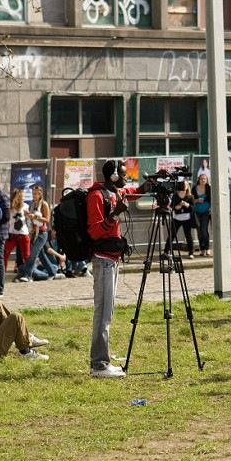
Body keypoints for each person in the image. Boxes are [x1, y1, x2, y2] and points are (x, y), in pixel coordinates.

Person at [86, 159, 148, 378]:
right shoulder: (97, 196)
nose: (125, 179)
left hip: (112, 259)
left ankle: (102, 358)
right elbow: (94, 232)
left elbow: (133, 192)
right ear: (112, 176)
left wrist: (148, 184)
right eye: (123, 175)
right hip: (103, 260)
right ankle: (99, 365)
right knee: (103, 314)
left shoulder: (115, 192)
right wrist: (114, 214)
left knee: (107, 313)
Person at [18, 185, 50, 282]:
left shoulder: (44, 204)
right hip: (33, 232)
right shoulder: (32, 204)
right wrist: (28, 215)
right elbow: (31, 219)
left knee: (33, 254)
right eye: (33, 194)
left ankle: (28, 275)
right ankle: (53, 272)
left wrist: (35, 217)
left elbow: (47, 219)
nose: (34, 196)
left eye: (36, 194)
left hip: (42, 233)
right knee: (42, 255)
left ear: (40, 194)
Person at [164, 180, 195, 259]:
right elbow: (171, 206)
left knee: (188, 235)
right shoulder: (176, 195)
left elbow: (192, 208)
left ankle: (191, 252)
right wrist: (176, 207)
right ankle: (166, 251)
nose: (184, 186)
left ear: (188, 186)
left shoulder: (190, 196)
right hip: (177, 218)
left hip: (186, 218)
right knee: (172, 235)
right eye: (183, 185)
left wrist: (186, 205)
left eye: (186, 185)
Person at [3, 188, 30, 275]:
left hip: (23, 233)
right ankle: (2, 272)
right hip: (12, 234)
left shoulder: (25, 206)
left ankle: (29, 274)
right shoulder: (10, 207)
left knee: (26, 255)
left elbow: (28, 220)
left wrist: (28, 215)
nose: (24, 198)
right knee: (5, 253)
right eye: (23, 196)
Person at [192, 173, 212, 256]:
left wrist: (212, 208)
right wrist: (196, 200)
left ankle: (207, 247)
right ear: (198, 180)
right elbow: (191, 200)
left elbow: (213, 199)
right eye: (201, 179)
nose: (203, 180)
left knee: (204, 230)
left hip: (206, 212)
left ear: (207, 180)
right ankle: (202, 248)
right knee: (199, 231)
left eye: (204, 179)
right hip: (196, 212)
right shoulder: (194, 188)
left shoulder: (209, 189)